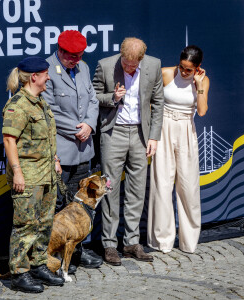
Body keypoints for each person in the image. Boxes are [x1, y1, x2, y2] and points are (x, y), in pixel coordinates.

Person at [93, 37, 164, 266]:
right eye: (126, 63)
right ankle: (110, 244)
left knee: (136, 190)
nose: (129, 68)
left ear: (142, 60)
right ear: (120, 55)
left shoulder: (153, 65)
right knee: (110, 189)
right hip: (114, 132)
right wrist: (112, 98)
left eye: (134, 65)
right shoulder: (105, 65)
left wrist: (153, 136)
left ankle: (132, 242)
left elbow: (158, 102)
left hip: (141, 134)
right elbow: (92, 97)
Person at [2, 56, 64, 293]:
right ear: (34, 77)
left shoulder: (40, 102)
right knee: (26, 224)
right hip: (28, 176)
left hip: (46, 174)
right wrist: (17, 172)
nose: (49, 77)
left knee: (44, 223)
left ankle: (38, 265)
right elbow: (9, 140)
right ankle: (19, 273)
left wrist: (55, 160)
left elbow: (46, 138)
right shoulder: (19, 105)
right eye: (46, 74)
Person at [42, 30, 102, 268]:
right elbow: (50, 109)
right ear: (60, 50)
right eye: (71, 56)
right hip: (62, 149)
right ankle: (51, 256)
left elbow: (94, 100)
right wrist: (77, 129)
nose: (75, 60)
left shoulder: (84, 68)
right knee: (57, 205)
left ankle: (77, 252)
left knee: (81, 205)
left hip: (83, 149)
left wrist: (89, 124)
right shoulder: (46, 70)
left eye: (79, 55)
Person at [148, 45, 210, 254]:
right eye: (182, 67)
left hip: (186, 129)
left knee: (188, 187)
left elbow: (201, 111)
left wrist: (199, 84)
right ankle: (162, 240)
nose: (184, 72)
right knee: (162, 185)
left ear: (198, 68)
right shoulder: (166, 73)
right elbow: (151, 103)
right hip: (164, 127)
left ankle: (189, 242)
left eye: (189, 70)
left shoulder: (201, 81)